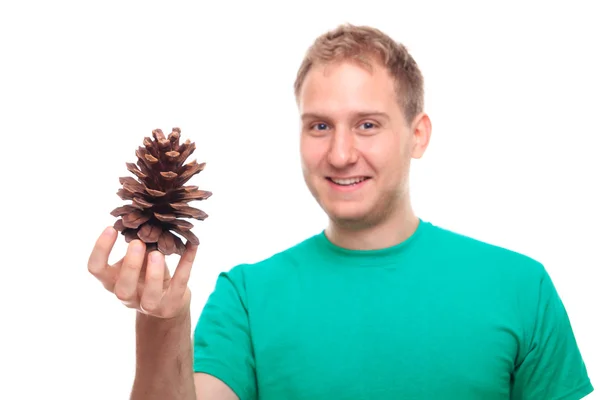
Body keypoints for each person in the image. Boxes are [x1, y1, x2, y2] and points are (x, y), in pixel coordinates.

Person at [88, 24, 594, 400]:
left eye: (368, 125)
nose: (341, 153)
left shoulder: (520, 286)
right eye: (320, 126)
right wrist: (163, 321)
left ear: (417, 135)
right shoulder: (245, 297)